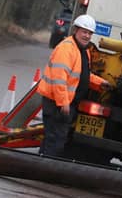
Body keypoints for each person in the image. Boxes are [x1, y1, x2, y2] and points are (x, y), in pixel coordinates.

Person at [38, 14, 109, 157]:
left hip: (66, 103)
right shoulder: (67, 49)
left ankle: (41, 165)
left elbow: (81, 75)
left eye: (90, 33)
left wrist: (100, 83)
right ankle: (45, 168)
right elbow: (59, 79)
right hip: (57, 104)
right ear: (76, 30)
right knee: (56, 140)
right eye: (84, 32)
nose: (87, 36)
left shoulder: (83, 51)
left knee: (54, 139)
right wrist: (63, 103)